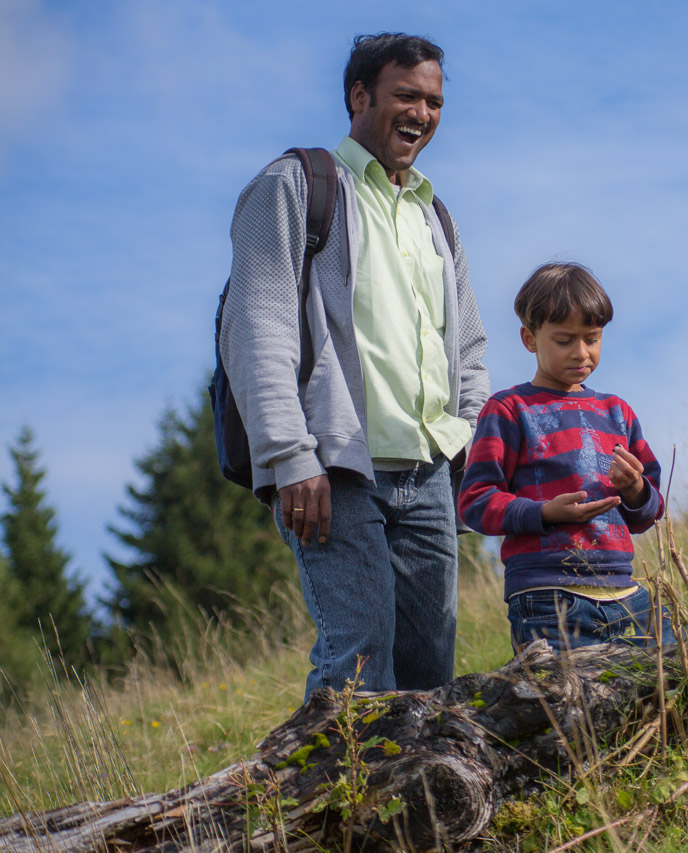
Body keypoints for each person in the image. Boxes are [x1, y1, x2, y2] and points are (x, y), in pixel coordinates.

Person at [220, 33, 489, 699]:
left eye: (434, 102)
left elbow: (468, 348)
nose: (422, 113)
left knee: (430, 680)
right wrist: (291, 457)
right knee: (360, 668)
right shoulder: (295, 186)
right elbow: (258, 329)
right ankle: (326, 775)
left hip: (429, 475)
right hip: (335, 471)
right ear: (360, 96)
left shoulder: (435, 216)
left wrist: (466, 442)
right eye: (407, 96)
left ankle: (418, 778)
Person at [458, 262, 674, 652]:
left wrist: (636, 490)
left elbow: (650, 511)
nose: (581, 352)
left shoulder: (618, 413)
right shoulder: (509, 410)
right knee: (564, 692)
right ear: (529, 338)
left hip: (625, 593)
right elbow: (475, 501)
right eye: (564, 340)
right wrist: (544, 513)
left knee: (675, 667)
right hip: (548, 598)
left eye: (592, 339)